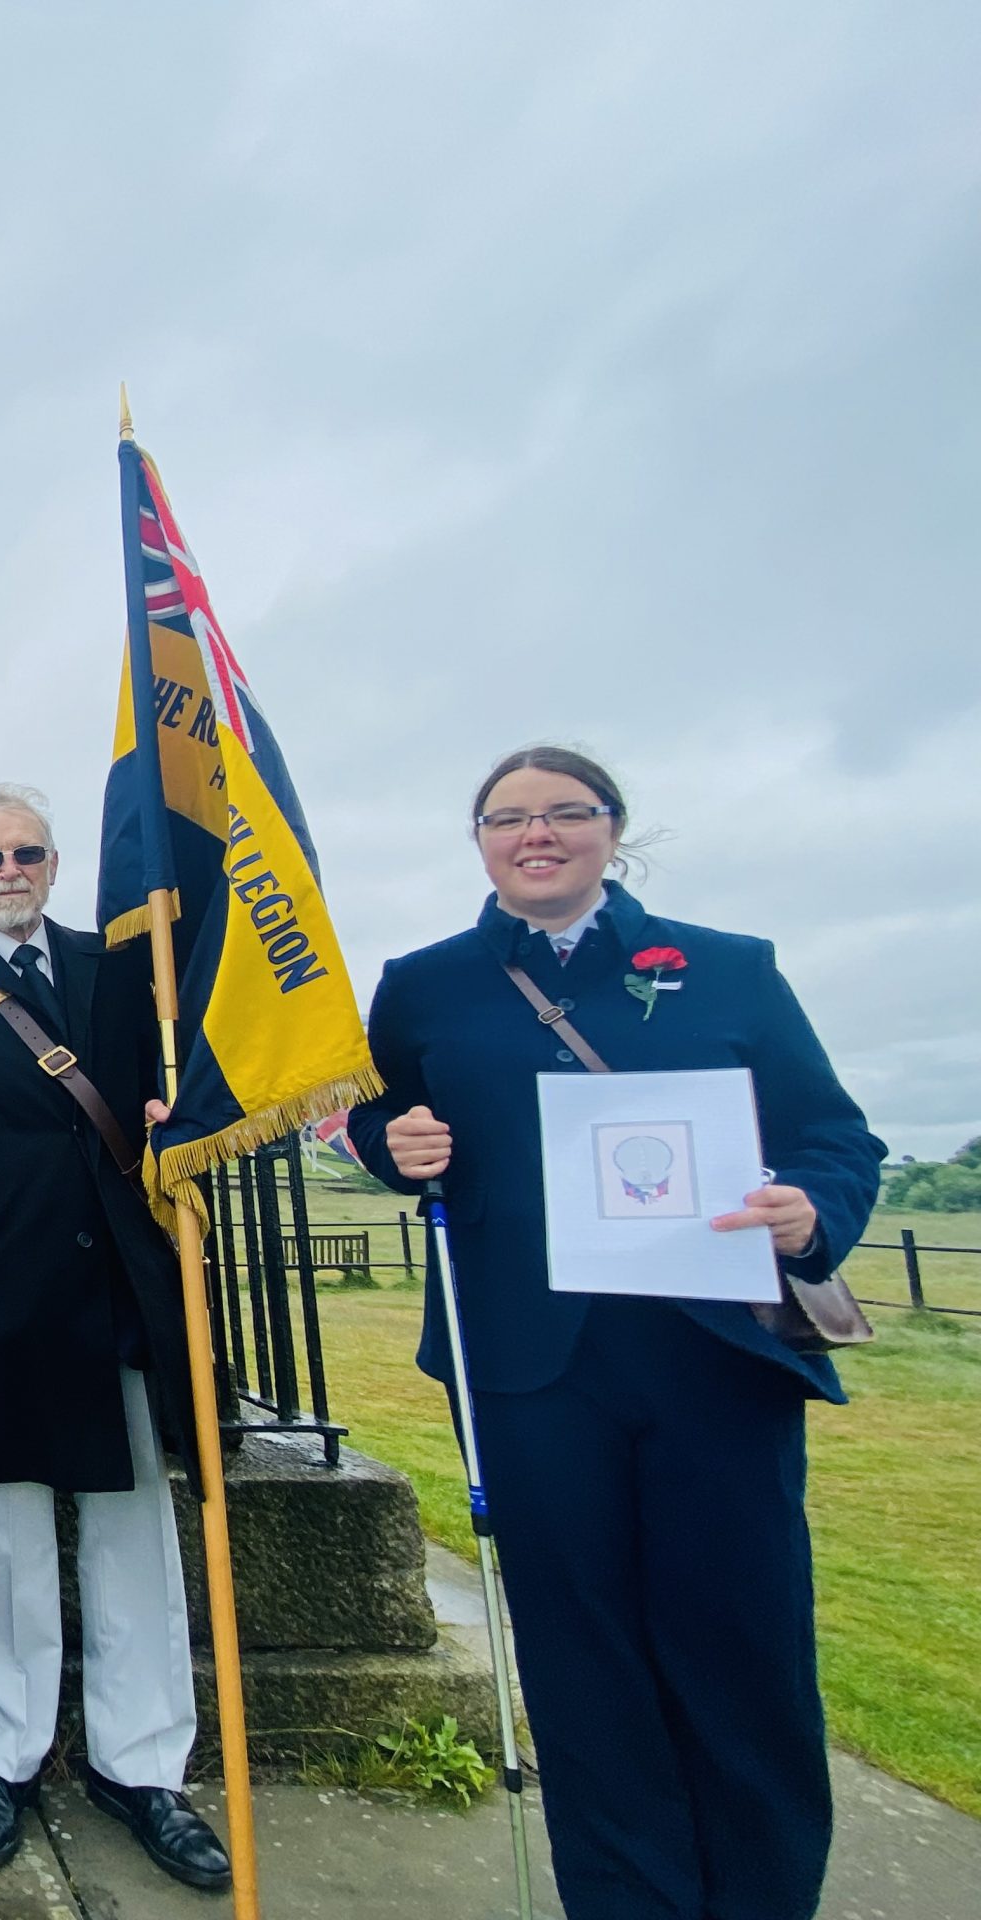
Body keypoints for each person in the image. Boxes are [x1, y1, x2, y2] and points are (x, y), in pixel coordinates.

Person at [346, 745, 885, 1920]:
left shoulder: (729, 969)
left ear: (612, 827)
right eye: (506, 819)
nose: (534, 835)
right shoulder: (423, 984)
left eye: (563, 813)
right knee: (579, 1655)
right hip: (530, 1370)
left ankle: (758, 1894)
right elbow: (375, 1116)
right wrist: (391, 1146)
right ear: (480, 841)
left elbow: (834, 1137)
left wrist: (812, 1210)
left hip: (712, 1360)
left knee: (739, 1645)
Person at [0, 784, 230, 1893]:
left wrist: (175, 1119)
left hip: (111, 1287)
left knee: (134, 1535)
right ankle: (6, 1758)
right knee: (6, 1541)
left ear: (56, 864)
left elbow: (168, 1093)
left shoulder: (119, 967)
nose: (9, 871)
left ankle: (142, 1766)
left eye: (26, 853)